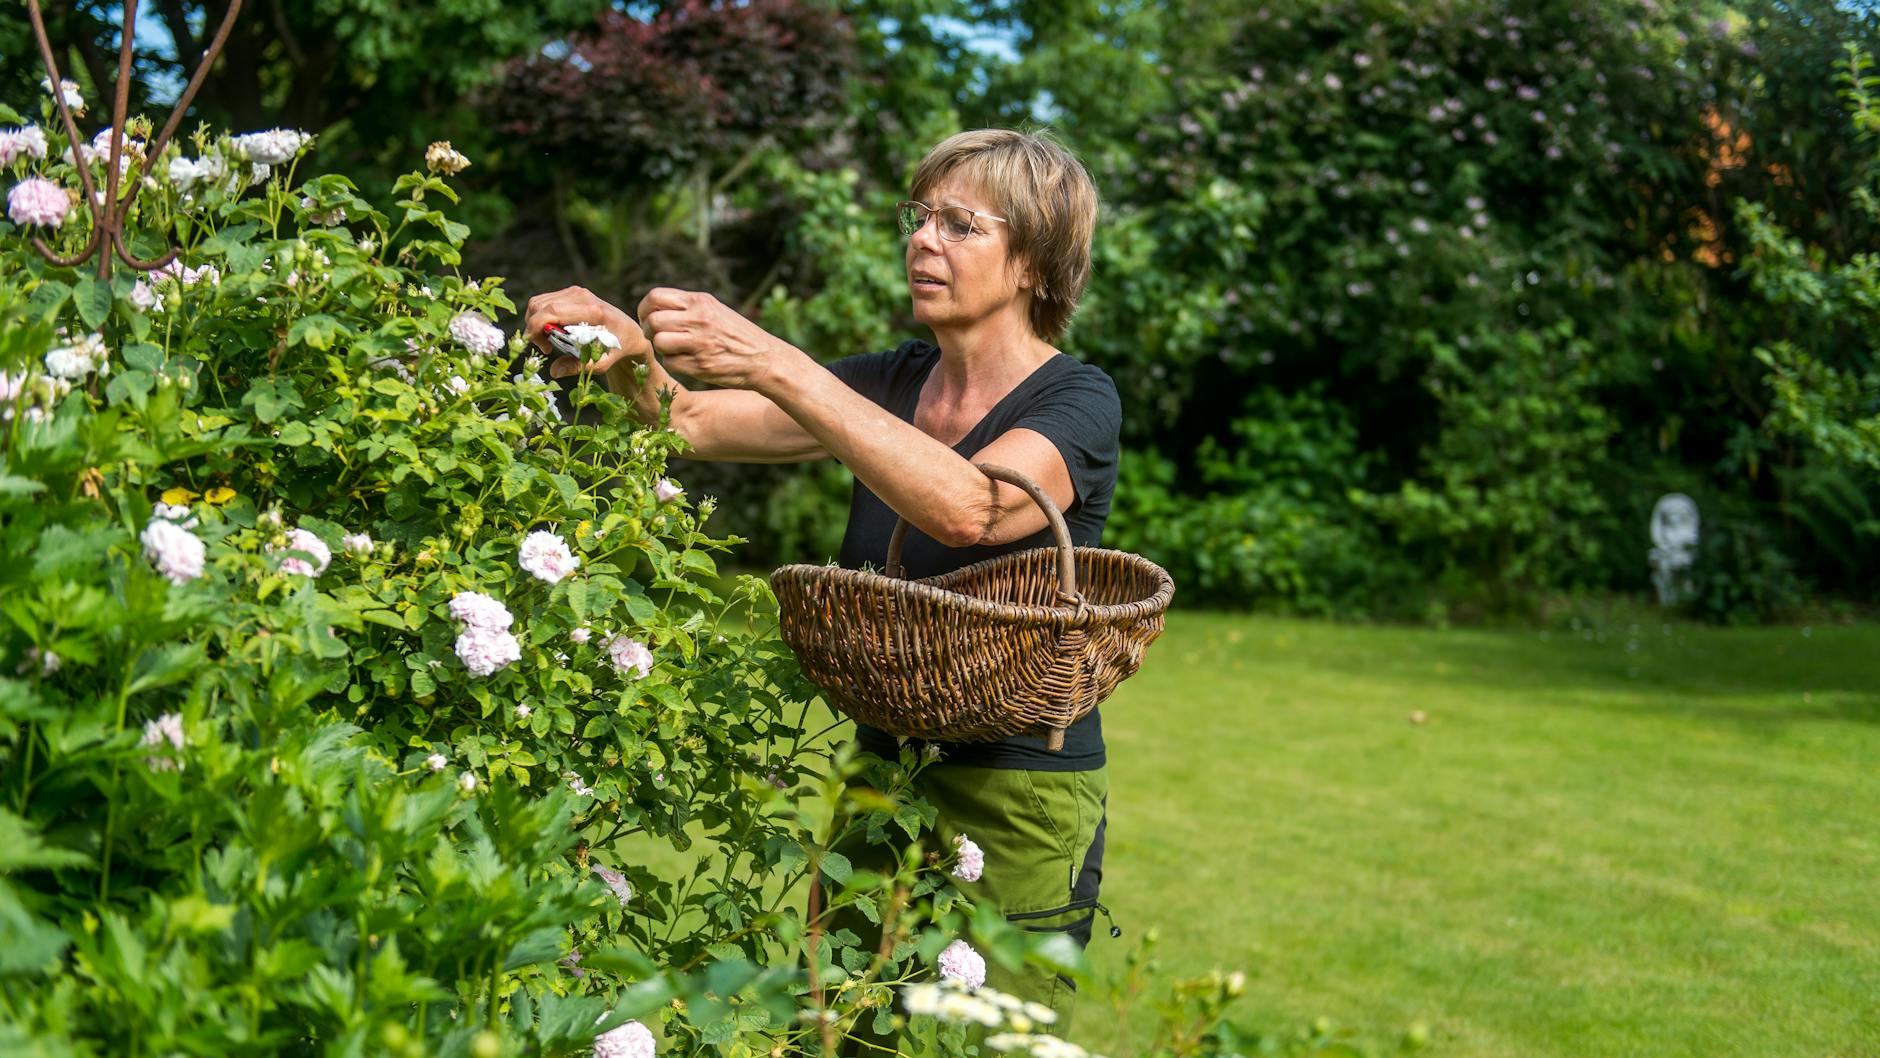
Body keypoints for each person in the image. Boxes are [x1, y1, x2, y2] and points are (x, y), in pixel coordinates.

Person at [524, 129, 1120, 1030]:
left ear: (1035, 261)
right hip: (885, 759)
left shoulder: (1076, 400)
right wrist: (623, 343)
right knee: (845, 1027)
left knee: (981, 1042)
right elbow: (684, 421)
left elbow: (972, 506)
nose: (922, 240)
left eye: (960, 224)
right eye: (918, 218)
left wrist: (775, 359)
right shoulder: (893, 380)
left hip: (1019, 786)